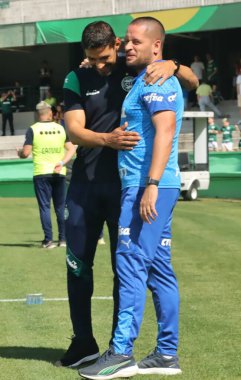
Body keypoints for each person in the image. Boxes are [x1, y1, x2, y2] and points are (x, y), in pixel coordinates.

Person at [57, 20, 198, 369]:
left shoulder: (139, 66)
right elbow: (74, 131)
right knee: (78, 267)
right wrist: (107, 140)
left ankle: (118, 351)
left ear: (116, 45)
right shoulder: (77, 77)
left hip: (128, 186)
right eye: (93, 58)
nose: (101, 64)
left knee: (128, 268)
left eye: (106, 57)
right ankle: (83, 342)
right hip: (85, 186)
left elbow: (187, 86)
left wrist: (175, 64)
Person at [17, 101, 76, 249]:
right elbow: (71, 148)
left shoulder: (33, 129)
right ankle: (63, 240)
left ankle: (48, 240)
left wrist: (19, 152)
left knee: (44, 207)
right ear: (50, 113)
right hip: (59, 172)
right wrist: (62, 163)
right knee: (61, 207)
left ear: (39, 114)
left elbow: (26, 153)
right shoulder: (60, 128)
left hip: (41, 173)